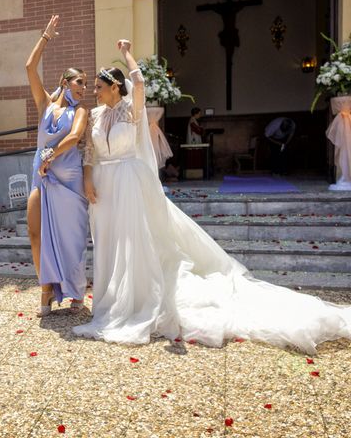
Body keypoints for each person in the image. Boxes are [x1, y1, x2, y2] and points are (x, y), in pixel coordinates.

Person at [73, 39, 351, 354]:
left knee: (132, 242)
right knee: (109, 243)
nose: (94, 91)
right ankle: (111, 300)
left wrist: (126, 54)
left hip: (128, 184)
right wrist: (87, 180)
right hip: (102, 187)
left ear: (114, 87)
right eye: (94, 86)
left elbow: (138, 81)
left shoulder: (130, 110)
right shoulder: (94, 114)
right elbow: (88, 151)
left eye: (98, 86)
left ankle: (132, 301)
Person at [26, 15, 89, 317]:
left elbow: (75, 136)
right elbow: (29, 67)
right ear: (65, 82)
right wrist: (45, 37)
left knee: (72, 239)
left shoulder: (81, 112)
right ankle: (46, 290)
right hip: (42, 178)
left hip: (69, 179)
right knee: (35, 234)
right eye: (80, 82)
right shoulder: (45, 106)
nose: (84, 88)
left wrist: (49, 154)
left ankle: (76, 293)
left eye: (87, 84)